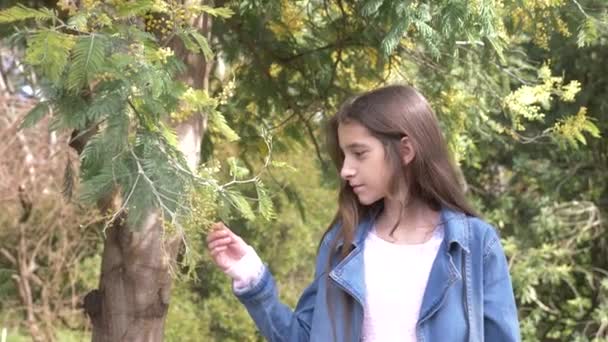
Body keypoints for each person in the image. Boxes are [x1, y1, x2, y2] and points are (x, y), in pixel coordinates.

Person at [206, 85, 520, 341]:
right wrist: (252, 277)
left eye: (359, 153)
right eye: (344, 155)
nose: (345, 170)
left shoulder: (475, 246)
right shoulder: (342, 245)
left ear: (406, 150)